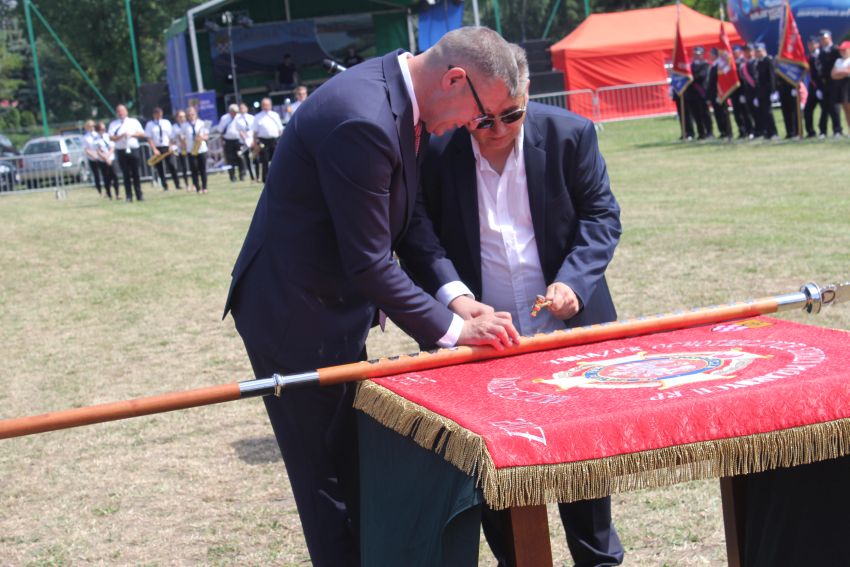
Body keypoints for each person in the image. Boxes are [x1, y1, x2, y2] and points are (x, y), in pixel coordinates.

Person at [223, 26, 523, 567]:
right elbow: (370, 262)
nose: (473, 127)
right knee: (328, 483)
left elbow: (409, 221)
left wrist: (457, 298)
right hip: (294, 317)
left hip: (333, 309)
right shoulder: (362, 119)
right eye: (480, 113)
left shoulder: (406, 105)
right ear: (455, 79)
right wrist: (457, 333)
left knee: (357, 468)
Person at [417, 42, 624, 567]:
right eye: (483, 119)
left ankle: (598, 559)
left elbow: (601, 217)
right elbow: (419, 237)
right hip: (483, 345)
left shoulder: (570, 134)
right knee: (497, 473)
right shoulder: (436, 151)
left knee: (583, 465)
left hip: (569, 334)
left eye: (511, 114)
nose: (498, 129)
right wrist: (459, 300)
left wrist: (574, 282)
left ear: (527, 92)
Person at [108, 103, 145, 202]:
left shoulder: (133, 122)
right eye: (118, 111)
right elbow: (111, 137)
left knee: (136, 173)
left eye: (122, 111)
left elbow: (142, 134)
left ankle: (139, 194)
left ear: (126, 112)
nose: (121, 113)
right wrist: (121, 136)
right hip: (121, 150)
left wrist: (132, 134)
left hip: (133, 149)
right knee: (126, 174)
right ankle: (129, 195)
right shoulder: (114, 124)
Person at [145, 107, 182, 191]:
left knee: (172, 165)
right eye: (157, 114)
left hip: (166, 146)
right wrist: (154, 149)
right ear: (154, 115)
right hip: (157, 147)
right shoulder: (150, 124)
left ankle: (177, 184)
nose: (159, 116)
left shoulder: (166, 122)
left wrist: (170, 146)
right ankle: (165, 186)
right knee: (160, 168)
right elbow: (149, 138)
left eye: (160, 114)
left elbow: (170, 135)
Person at [817, 29, 843, 137]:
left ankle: (837, 130)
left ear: (830, 38)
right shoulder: (821, 52)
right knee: (824, 108)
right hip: (825, 84)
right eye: (822, 39)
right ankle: (823, 131)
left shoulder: (836, 50)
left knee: (835, 108)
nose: (823, 41)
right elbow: (820, 69)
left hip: (835, 83)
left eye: (825, 39)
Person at [250, 97, 283, 183]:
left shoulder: (275, 115)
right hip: (263, 141)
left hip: (274, 140)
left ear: (270, 105)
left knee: (276, 159)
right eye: (264, 105)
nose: (266, 106)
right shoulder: (258, 117)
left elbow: (280, 129)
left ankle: (278, 176)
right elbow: (255, 132)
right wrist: (254, 143)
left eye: (267, 105)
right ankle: (265, 178)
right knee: (264, 159)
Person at [705, 48, 733, 139]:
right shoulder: (713, 65)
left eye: (711, 54)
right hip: (713, 94)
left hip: (720, 93)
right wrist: (709, 96)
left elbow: (721, 80)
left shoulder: (720, 65)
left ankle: (728, 132)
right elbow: (710, 83)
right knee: (717, 114)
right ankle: (722, 132)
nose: (710, 56)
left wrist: (719, 93)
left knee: (724, 113)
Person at [686, 46, 713, 139]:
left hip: (702, 93)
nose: (696, 56)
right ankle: (701, 133)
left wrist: (691, 77)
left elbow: (702, 76)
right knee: (696, 115)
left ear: (702, 55)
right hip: (692, 94)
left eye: (698, 54)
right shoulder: (690, 66)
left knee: (705, 114)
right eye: (695, 54)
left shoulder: (705, 65)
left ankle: (709, 132)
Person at [753, 43, 779, 139]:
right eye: (756, 52)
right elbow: (757, 80)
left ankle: (773, 132)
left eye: (759, 51)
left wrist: (773, 91)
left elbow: (772, 77)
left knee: (768, 113)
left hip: (768, 92)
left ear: (764, 50)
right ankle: (767, 132)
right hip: (761, 92)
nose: (757, 53)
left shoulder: (768, 61)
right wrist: (756, 95)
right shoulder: (759, 62)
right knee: (763, 113)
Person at [181, 106, 209, 194]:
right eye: (189, 114)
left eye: (192, 114)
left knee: (203, 169)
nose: (191, 116)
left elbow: (206, 136)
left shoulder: (202, 123)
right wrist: (183, 144)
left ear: (195, 114)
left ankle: (204, 187)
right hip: (191, 149)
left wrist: (201, 137)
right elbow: (182, 137)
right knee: (194, 169)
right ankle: (197, 187)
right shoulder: (184, 125)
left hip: (201, 149)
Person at [730, 44, 754, 139]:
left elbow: (744, 80)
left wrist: (743, 93)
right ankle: (742, 131)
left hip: (743, 91)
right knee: (737, 113)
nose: (734, 54)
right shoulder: (731, 63)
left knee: (746, 113)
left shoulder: (744, 62)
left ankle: (750, 130)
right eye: (733, 53)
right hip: (734, 92)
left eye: (736, 52)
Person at [218, 103, 246, 182]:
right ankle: (232, 176)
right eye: (233, 112)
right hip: (228, 141)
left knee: (240, 158)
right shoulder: (224, 118)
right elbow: (220, 130)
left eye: (236, 112)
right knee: (230, 159)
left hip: (238, 141)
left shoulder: (240, 117)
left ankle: (242, 175)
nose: (234, 113)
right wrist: (222, 141)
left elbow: (244, 129)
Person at [804, 36, 825, 137]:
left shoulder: (822, 55)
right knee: (808, 109)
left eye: (812, 44)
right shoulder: (809, 57)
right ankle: (810, 131)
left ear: (817, 44)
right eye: (809, 44)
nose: (810, 46)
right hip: (813, 87)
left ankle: (823, 130)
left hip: (823, 86)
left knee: (825, 109)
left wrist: (821, 87)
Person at [830, 40, 850, 131]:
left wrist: (839, 72)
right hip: (841, 87)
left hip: (848, 85)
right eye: (841, 50)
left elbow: (848, 72)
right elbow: (833, 75)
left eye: (844, 50)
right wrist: (843, 72)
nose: (842, 52)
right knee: (845, 109)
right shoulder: (838, 61)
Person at [82, 120, 105, 196]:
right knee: (96, 175)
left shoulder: (97, 135)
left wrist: (100, 154)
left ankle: (107, 190)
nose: (91, 128)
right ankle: (99, 191)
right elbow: (86, 149)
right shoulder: (85, 137)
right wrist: (94, 155)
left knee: (104, 173)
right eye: (90, 126)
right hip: (92, 158)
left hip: (101, 156)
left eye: (92, 126)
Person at [173, 109, 193, 191]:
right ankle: (187, 184)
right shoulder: (175, 127)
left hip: (190, 148)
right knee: (184, 167)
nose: (182, 118)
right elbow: (174, 138)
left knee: (193, 166)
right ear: (177, 118)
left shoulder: (188, 125)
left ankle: (194, 183)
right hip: (181, 149)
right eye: (180, 117)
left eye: (184, 116)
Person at [237, 102, 256, 182]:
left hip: (252, 140)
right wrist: (246, 139)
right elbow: (240, 131)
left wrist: (253, 139)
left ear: (246, 109)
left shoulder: (252, 117)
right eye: (240, 108)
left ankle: (257, 175)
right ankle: (252, 176)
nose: (242, 109)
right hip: (244, 141)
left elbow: (255, 129)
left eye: (243, 108)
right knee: (247, 159)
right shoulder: (238, 120)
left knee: (255, 157)